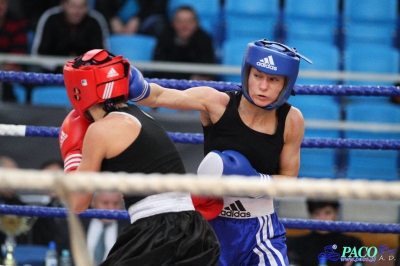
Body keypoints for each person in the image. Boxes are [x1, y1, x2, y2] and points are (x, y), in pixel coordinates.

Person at [128, 39, 311, 265]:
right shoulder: (216, 103)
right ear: (247, 73)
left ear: (285, 84)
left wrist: (255, 182)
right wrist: (131, 83)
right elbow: (158, 96)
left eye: (273, 80)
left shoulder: (292, 120)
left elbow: (289, 181)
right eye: (258, 76)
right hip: (208, 228)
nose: (263, 86)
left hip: (260, 231)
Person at [58, 49, 220, 265]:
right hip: (192, 229)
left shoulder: (100, 131)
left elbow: (78, 204)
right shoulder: (140, 114)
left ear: (77, 88)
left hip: (160, 231)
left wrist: (72, 158)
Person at [30, 0, 109, 74]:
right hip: (51, 72)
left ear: (88, 7)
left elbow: (102, 55)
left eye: (81, 7)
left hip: (87, 73)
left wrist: (83, 67)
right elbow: (38, 54)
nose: (77, 11)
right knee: (33, 70)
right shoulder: (50, 18)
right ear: (63, 5)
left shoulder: (95, 21)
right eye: (73, 6)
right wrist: (59, 67)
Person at [286, 199, 364, 266]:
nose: (323, 219)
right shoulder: (296, 245)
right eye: (317, 214)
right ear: (310, 215)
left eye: (328, 213)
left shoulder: (353, 244)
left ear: (337, 213)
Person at [151, 5, 216, 81]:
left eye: (189, 21)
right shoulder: (165, 37)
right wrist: (187, 77)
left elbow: (206, 73)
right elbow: (158, 70)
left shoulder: (205, 39)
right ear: (173, 23)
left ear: (197, 23)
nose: (184, 25)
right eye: (180, 21)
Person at [83, 191, 129, 265]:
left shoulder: (128, 228)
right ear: (93, 202)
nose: (111, 208)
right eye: (105, 203)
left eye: (116, 203)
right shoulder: (78, 222)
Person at [0, 0, 28, 102]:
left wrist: (6, 67)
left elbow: (19, 55)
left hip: (10, 74)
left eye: (2, 2)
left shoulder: (17, 22)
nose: (0, 6)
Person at [95, 0, 168, 37]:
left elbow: (157, 7)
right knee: (95, 23)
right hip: (112, 25)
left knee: (159, 26)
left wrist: (138, 18)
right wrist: (111, 19)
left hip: (143, 24)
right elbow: (100, 6)